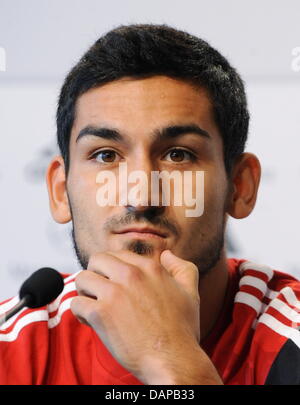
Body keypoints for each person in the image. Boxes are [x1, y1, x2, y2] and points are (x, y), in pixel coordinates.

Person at [0, 23, 299, 386]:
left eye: (178, 154)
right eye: (106, 154)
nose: (140, 197)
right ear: (61, 192)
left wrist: (172, 360)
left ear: (239, 186)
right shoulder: (10, 346)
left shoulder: (290, 338)